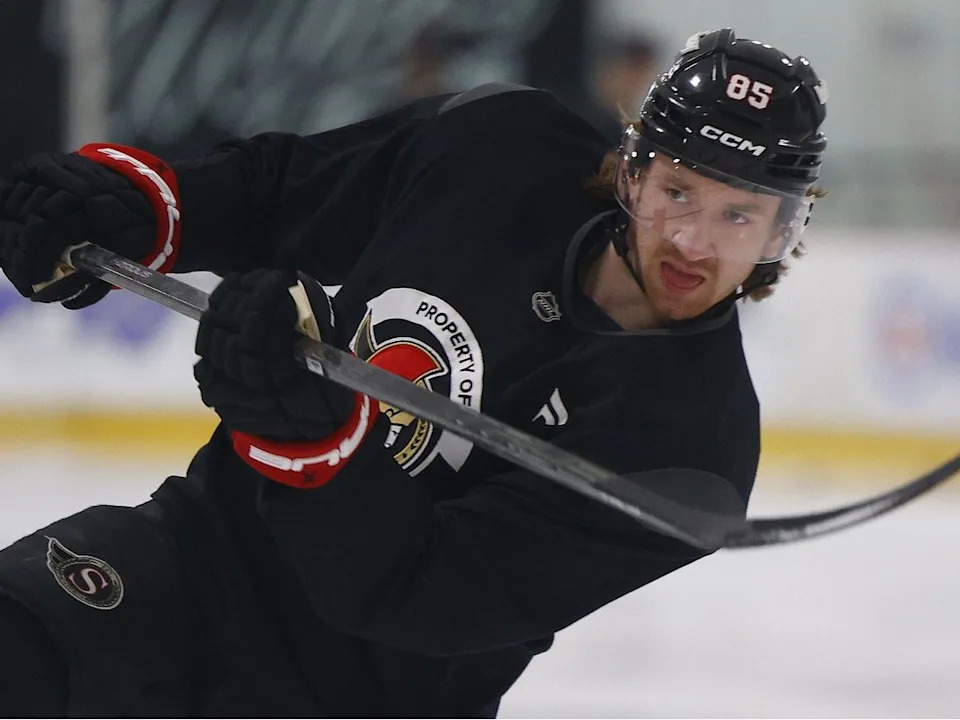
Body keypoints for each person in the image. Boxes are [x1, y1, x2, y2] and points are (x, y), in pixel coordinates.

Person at [0, 28, 827, 716]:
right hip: (190, 560)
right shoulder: (500, 147)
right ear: (635, 171)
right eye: (679, 193)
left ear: (781, 231)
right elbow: (284, 190)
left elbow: (423, 596)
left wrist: (313, 437)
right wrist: (146, 209)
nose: (694, 242)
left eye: (738, 215)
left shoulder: (696, 455)